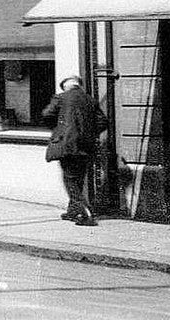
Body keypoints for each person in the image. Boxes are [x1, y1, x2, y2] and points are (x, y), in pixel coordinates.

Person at [43, 75, 108, 226]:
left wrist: (59, 131)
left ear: (66, 87)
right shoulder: (90, 100)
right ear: (78, 86)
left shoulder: (61, 98)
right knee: (78, 177)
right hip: (86, 145)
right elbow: (103, 121)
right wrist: (88, 134)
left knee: (69, 179)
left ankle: (83, 210)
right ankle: (72, 210)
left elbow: (47, 114)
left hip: (67, 145)